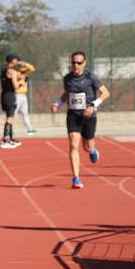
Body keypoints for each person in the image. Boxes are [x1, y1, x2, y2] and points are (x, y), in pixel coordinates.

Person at [50, 51, 110, 189]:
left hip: (89, 115)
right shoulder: (67, 78)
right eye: (73, 63)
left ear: (84, 63)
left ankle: (93, 149)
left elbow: (106, 93)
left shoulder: (91, 77)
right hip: (73, 115)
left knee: (87, 146)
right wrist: (58, 103)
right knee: (73, 144)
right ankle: (76, 178)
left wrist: (93, 106)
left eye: (79, 63)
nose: (76, 65)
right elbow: (66, 94)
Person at [0, 54, 22, 148]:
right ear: (12, 61)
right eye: (16, 60)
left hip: (4, 95)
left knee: (10, 117)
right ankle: (5, 139)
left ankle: (11, 138)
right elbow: (15, 86)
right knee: (10, 118)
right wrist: (22, 82)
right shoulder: (13, 72)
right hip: (10, 95)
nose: (17, 62)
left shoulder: (3, 71)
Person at [14, 60, 37, 134]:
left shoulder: (23, 71)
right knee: (14, 113)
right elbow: (20, 76)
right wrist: (22, 76)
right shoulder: (15, 73)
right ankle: (10, 129)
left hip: (23, 95)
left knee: (25, 113)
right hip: (17, 95)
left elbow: (32, 68)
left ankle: (29, 129)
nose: (20, 66)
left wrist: (25, 63)